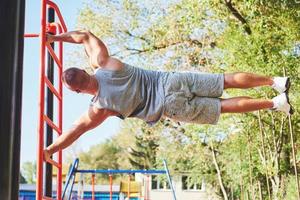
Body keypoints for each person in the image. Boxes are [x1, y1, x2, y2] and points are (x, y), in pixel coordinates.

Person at [43, 30, 292, 162]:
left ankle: (276, 103)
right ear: (87, 70)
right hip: (170, 80)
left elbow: (74, 132)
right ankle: (275, 82)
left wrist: (50, 150)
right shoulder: (105, 63)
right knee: (224, 80)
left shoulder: (100, 108)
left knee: (223, 107)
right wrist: (54, 38)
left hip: (169, 107)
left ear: (76, 91)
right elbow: (85, 36)